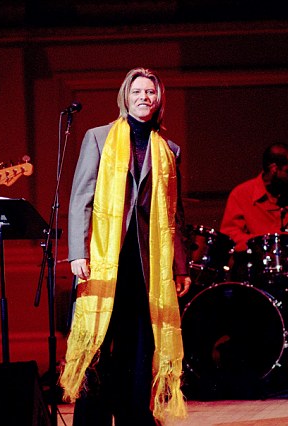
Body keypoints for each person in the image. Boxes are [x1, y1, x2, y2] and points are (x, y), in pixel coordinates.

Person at [59, 68, 191, 426]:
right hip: (104, 257)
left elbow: (174, 213)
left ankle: (135, 413)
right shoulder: (98, 138)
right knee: (98, 343)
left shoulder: (168, 150)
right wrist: (77, 252)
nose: (144, 97)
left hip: (147, 263)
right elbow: (81, 197)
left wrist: (180, 265)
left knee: (139, 344)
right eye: (138, 91)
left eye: (150, 92)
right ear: (126, 97)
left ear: (158, 99)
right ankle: (92, 419)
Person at [220, 142, 288, 282]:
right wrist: (261, 247)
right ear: (274, 168)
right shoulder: (242, 194)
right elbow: (230, 234)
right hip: (254, 275)